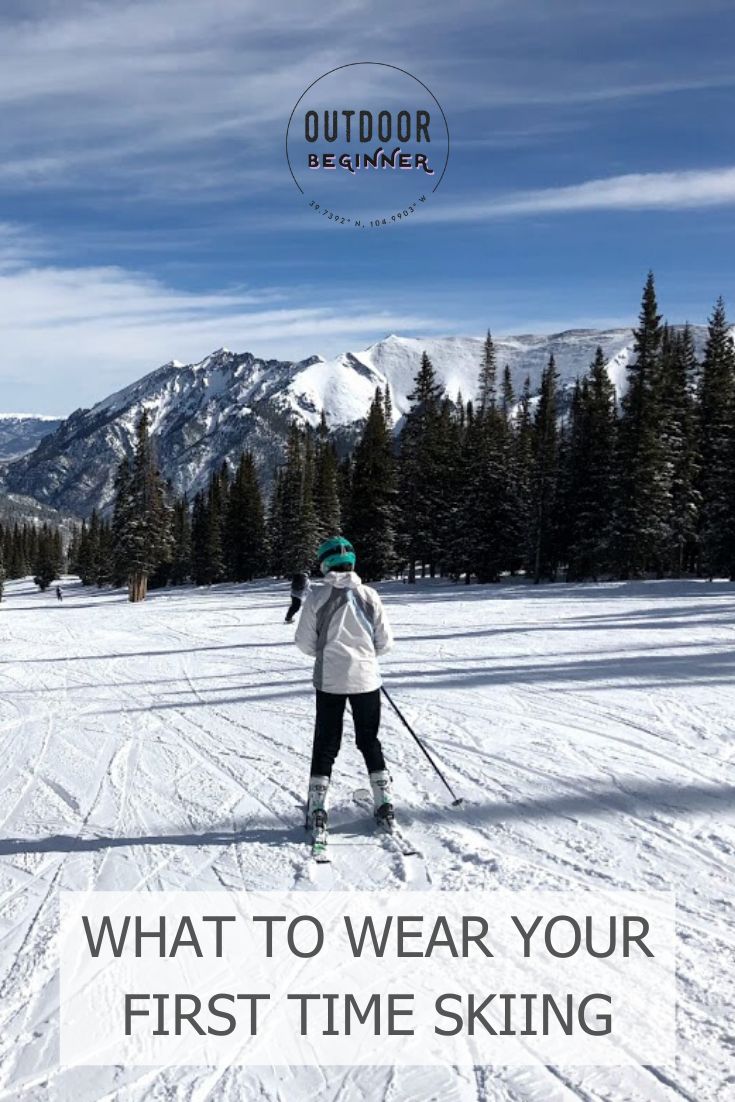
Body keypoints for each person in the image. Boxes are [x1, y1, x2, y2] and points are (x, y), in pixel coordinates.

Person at [295, 535, 395, 838]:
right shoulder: (370, 595)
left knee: (326, 741)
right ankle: (384, 802)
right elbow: (385, 643)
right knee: (369, 739)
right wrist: (365, 657)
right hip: (366, 679)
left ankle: (317, 807)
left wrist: (326, 653)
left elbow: (304, 643)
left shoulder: (316, 597)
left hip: (330, 680)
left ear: (325, 564)